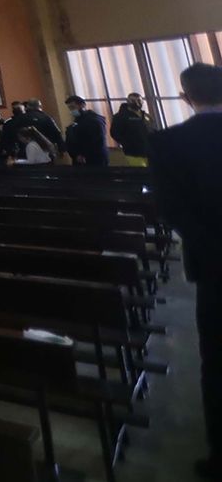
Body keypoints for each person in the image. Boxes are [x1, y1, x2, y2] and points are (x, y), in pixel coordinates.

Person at [150, 63, 222, 480]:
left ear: (186, 97)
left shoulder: (169, 143)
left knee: (216, 361)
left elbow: (172, 211)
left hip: (213, 268)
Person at [63, 96, 110, 166]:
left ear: (82, 105)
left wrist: (84, 155)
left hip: (94, 160)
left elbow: (97, 141)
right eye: (70, 108)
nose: (72, 111)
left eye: (73, 107)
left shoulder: (94, 121)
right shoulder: (77, 121)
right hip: (80, 159)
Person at [111, 94, 153, 167]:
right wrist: (127, 143)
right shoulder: (120, 117)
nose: (136, 103)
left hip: (149, 151)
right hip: (133, 153)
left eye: (139, 101)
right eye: (133, 101)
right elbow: (114, 133)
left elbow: (152, 129)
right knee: (141, 174)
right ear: (128, 101)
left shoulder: (145, 116)